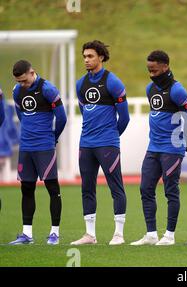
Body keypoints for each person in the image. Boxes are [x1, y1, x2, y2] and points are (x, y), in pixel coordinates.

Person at [131, 50, 187, 246]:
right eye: (149, 69)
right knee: (145, 188)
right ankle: (151, 234)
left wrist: (185, 139)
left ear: (165, 67)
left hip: (172, 147)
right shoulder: (150, 88)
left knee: (170, 190)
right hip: (153, 146)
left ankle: (169, 235)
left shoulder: (177, 91)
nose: (151, 73)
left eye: (154, 69)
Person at [71, 40, 130, 246]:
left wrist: (111, 137)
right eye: (84, 56)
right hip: (86, 144)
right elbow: (84, 110)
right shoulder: (80, 84)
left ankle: (119, 234)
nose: (86, 60)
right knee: (87, 188)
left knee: (116, 187)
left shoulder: (113, 82)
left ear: (101, 57)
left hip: (107, 144)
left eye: (90, 56)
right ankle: (89, 235)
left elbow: (124, 118)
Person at [9, 60, 67, 245]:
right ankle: (27, 235)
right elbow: (21, 115)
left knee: (52, 189)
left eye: (24, 81)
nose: (22, 85)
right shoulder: (17, 91)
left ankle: (54, 234)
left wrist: (52, 138)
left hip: (45, 147)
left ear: (32, 72)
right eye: (19, 82)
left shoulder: (48, 89)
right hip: (26, 147)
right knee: (26, 189)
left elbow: (62, 118)